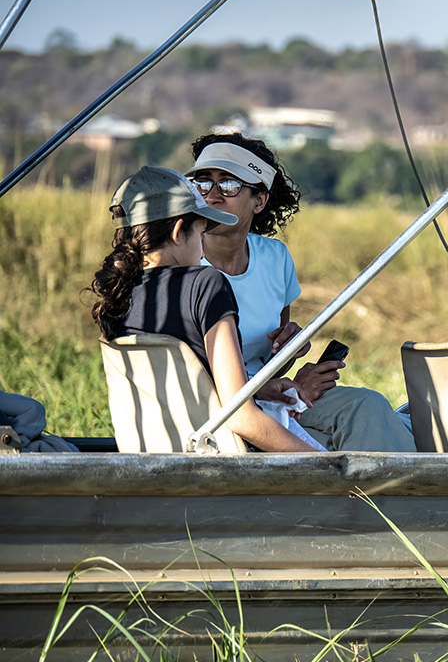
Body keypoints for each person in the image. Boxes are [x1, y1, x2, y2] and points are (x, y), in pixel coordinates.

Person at [185, 132, 414, 453]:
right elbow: (189, 373)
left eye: (229, 184)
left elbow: (271, 365)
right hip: (227, 411)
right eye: (202, 182)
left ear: (259, 200)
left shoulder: (275, 258)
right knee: (369, 416)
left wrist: (288, 353)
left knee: (373, 406)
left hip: (267, 398)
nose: (212, 195)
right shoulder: (185, 268)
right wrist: (269, 390)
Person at [89, 166, 317, 452]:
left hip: (153, 458)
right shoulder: (205, 284)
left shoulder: (118, 291)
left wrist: (256, 391)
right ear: (177, 231)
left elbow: (182, 395)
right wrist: (327, 463)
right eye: (201, 234)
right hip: (220, 460)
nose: (202, 250)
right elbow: (241, 417)